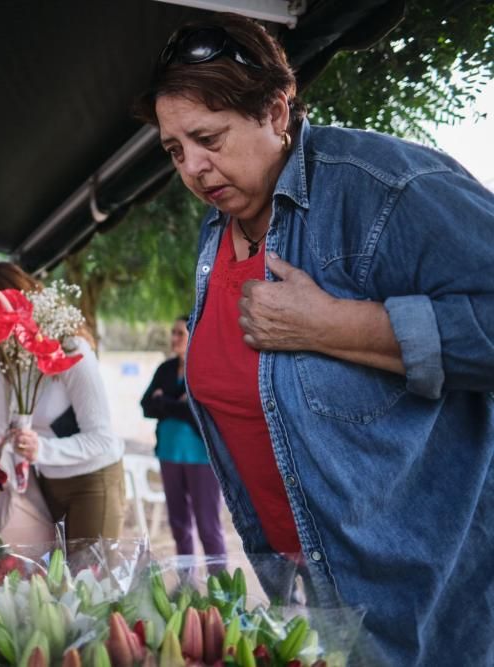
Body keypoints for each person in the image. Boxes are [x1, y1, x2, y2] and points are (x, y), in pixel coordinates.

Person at [134, 13, 494, 664]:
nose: (192, 167)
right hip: (297, 583)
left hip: (420, 601)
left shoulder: (384, 187)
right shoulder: (215, 232)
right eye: (173, 149)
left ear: (276, 110)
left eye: (207, 138)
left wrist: (333, 325)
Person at [0, 263, 125, 543]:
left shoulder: (71, 348)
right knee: (55, 580)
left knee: (93, 579)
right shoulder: (9, 354)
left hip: (93, 480)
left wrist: (42, 449)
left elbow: (102, 439)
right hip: (46, 482)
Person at [140, 316, 225, 558]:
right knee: (179, 526)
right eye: (173, 333)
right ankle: (187, 585)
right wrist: (175, 403)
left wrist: (163, 402)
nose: (174, 338)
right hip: (168, 455)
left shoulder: (206, 371)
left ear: (193, 337)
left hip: (201, 457)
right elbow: (146, 406)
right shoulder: (165, 369)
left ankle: (222, 588)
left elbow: (197, 413)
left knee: (208, 527)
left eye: (180, 334)